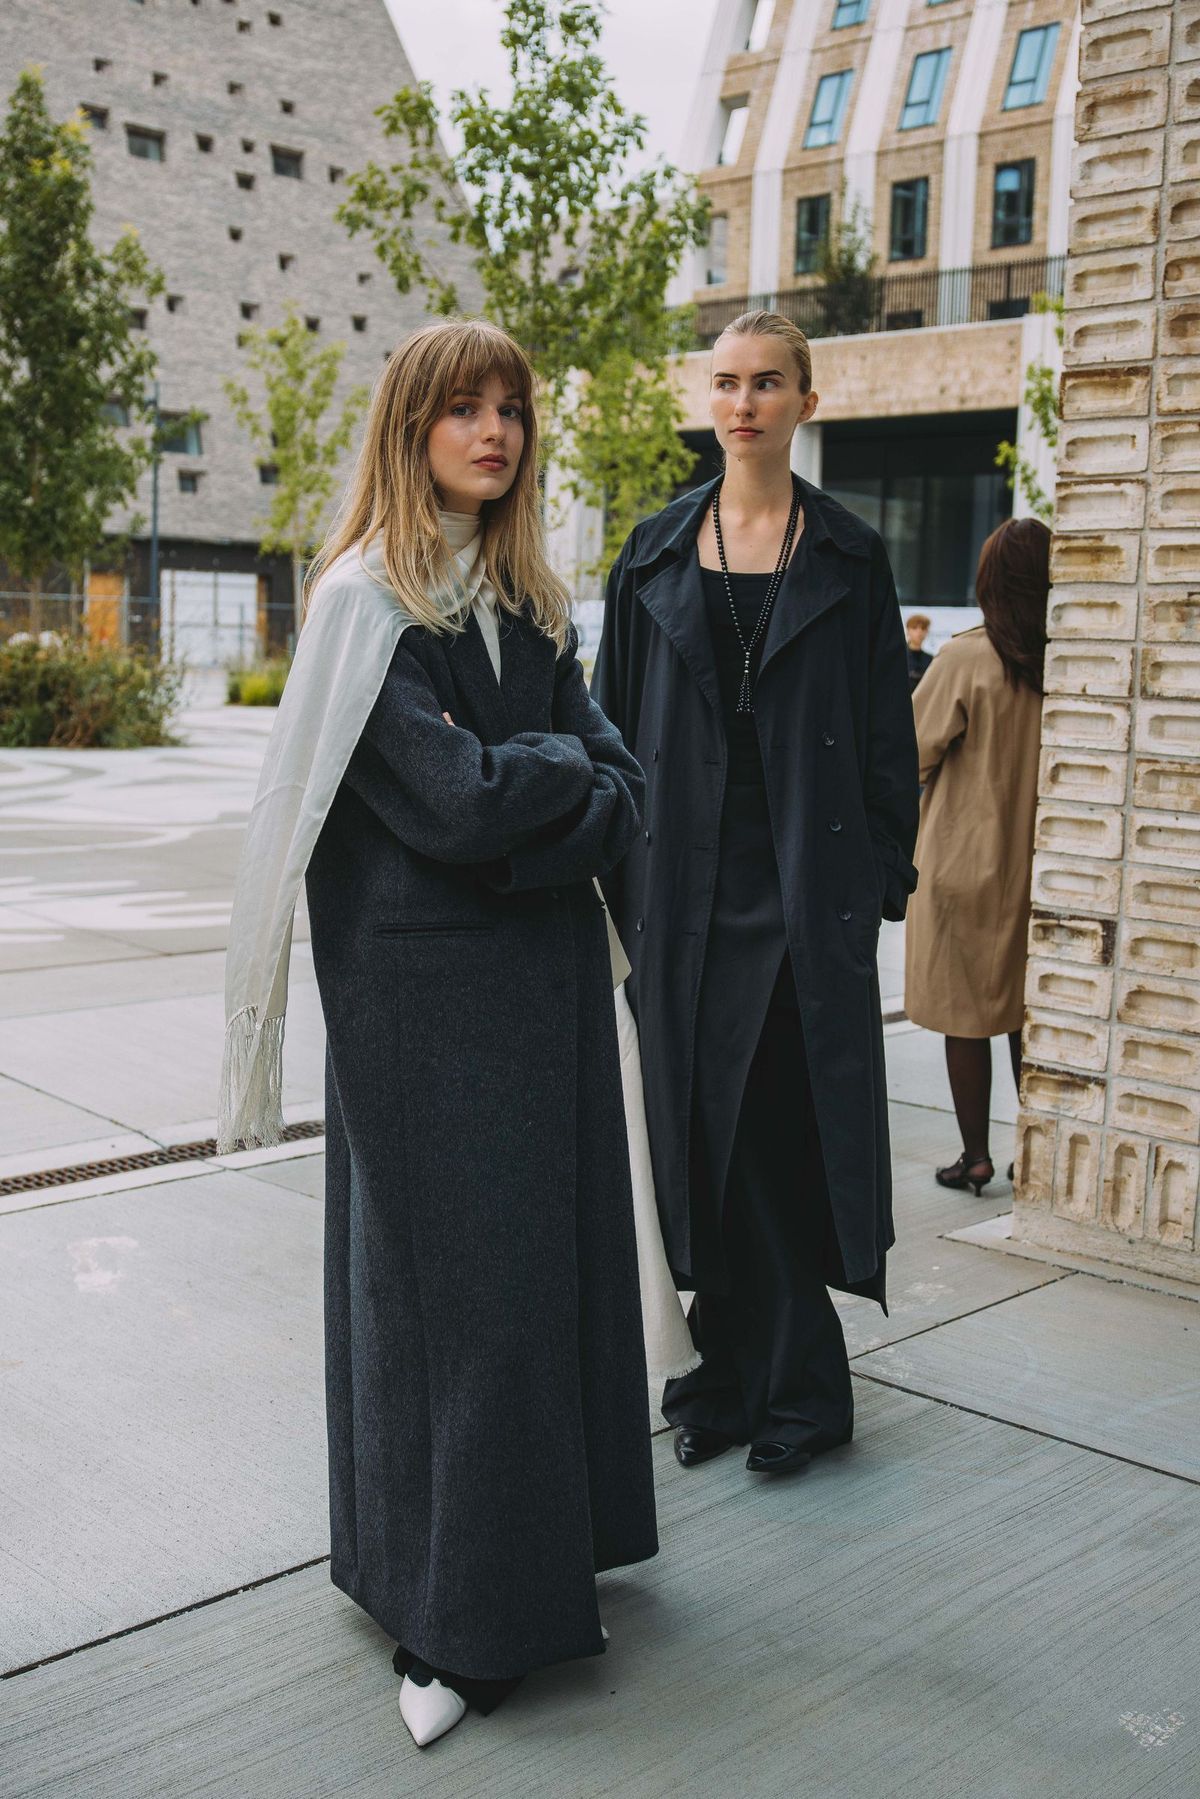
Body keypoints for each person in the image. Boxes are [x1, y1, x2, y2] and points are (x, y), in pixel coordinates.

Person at [219, 319, 657, 1750]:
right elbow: (457, 803)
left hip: (538, 994)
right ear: (410, 427)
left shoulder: (527, 600)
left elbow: (623, 787)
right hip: (427, 1017)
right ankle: (454, 1614)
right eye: (463, 408)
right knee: (459, 1315)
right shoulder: (366, 603)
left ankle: (534, 1560)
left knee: (547, 1292)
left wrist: (544, 789)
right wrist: (559, 785)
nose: (494, 431)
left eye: (511, 408)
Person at [592, 310, 919, 1478]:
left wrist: (880, 874)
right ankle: (729, 1373)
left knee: (768, 1132)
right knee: (699, 1135)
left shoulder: (847, 554)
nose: (744, 403)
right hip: (676, 887)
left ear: (804, 403)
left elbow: (888, 732)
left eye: (768, 383)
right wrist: (606, 869)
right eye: (727, 382)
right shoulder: (652, 552)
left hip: (800, 887)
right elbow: (606, 722)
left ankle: (789, 1386)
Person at [903, 517, 1051, 1195]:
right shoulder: (1065, 661)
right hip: (1040, 869)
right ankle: (1038, 1151)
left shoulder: (967, 658)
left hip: (962, 864)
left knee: (964, 1017)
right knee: (1028, 1015)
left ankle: (975, 1156)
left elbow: (909, 753)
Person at [905, 612, 933, 691]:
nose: (919, 631)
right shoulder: (899, 657)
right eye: (914, 628)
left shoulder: (931, 659)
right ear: (908, 630)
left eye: (923, 628)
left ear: (927, 632)